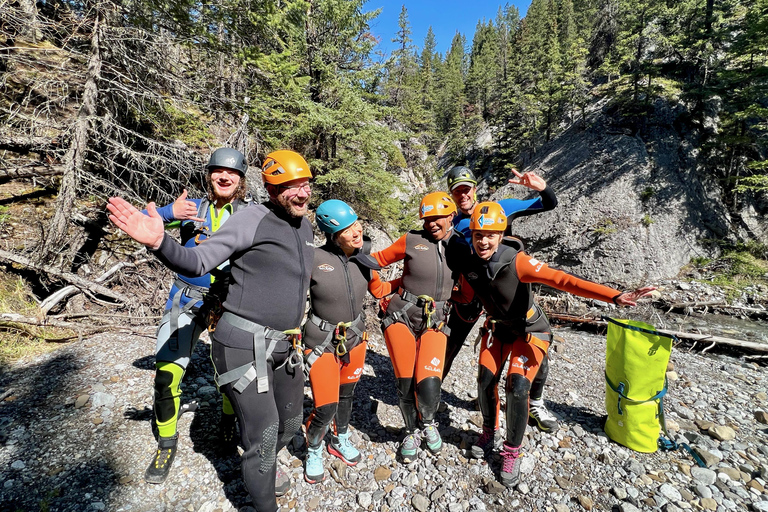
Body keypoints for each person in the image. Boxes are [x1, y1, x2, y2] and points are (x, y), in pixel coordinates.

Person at [107, 150, 314, 512]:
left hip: (283, 343)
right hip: (238, 335)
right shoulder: (249, 217)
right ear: (270, 187)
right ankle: (188, 449)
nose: (301, 192)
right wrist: (159, 240)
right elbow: (198, 260)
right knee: (261, 436)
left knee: (292, 422)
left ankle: (255, 455)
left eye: (306, 183)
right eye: (290, 186)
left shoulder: (304, 226)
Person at [446, 202, 655, 488]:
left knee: (517, 388)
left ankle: (511, 452)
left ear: (501, 233)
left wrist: (614, 296)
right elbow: (465, 295)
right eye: (478, 235)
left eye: (490, 234)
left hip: (530, 330)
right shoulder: (469, 264)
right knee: (484, 381)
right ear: (472, 234)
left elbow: (562, 279)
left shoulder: (517, 261)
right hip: (498, 329)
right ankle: (488, 434)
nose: (484, 241)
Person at [143, 147, 250, 484]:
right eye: (218, 170)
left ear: (241, 180)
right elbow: (144, 224)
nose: (224, 176)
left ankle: (227, 424)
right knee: (165, 376)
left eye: (232, 173)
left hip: (229, 302)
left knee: (232, 376)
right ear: (209, 175)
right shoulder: (190, 209)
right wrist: (166, 212)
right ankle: (166, 443)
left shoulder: (249, 214)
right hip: (184, 299)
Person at [444, 165, 559, 433]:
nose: (463, 195)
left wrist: (542, 188)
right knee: (450, 343)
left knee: (533, 343)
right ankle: (432, 392)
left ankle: (536, 403)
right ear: (451, 194)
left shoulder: (501, 208)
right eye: (457, 191)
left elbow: (548, 204)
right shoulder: (452, 223)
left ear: (475, 188)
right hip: (471, 294)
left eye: (466, 189)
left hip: (508, 292)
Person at [302, 199, 400, 484]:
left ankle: (339, 438)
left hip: (356, 339)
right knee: (325, 405)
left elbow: (379, 289)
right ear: (333, 235)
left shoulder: (365, 255)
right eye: (348, 229)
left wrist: (410, 281)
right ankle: (314, 447)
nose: (357, 232)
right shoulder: (314, 259)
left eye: (357, 224)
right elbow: (294, 298)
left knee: (346, 396)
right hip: (321, 341)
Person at [372, 192, 456, 463]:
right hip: (401, 315)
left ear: (451, 215)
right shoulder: (411, 240)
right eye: (427, 218)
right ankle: (410, 431)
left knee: (430, 384)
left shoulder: (461, 245)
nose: (432, 223)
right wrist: (381, 289)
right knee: (405, 382)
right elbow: (374, 261)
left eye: (438, 218)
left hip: (437, 320)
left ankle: (428, 423)